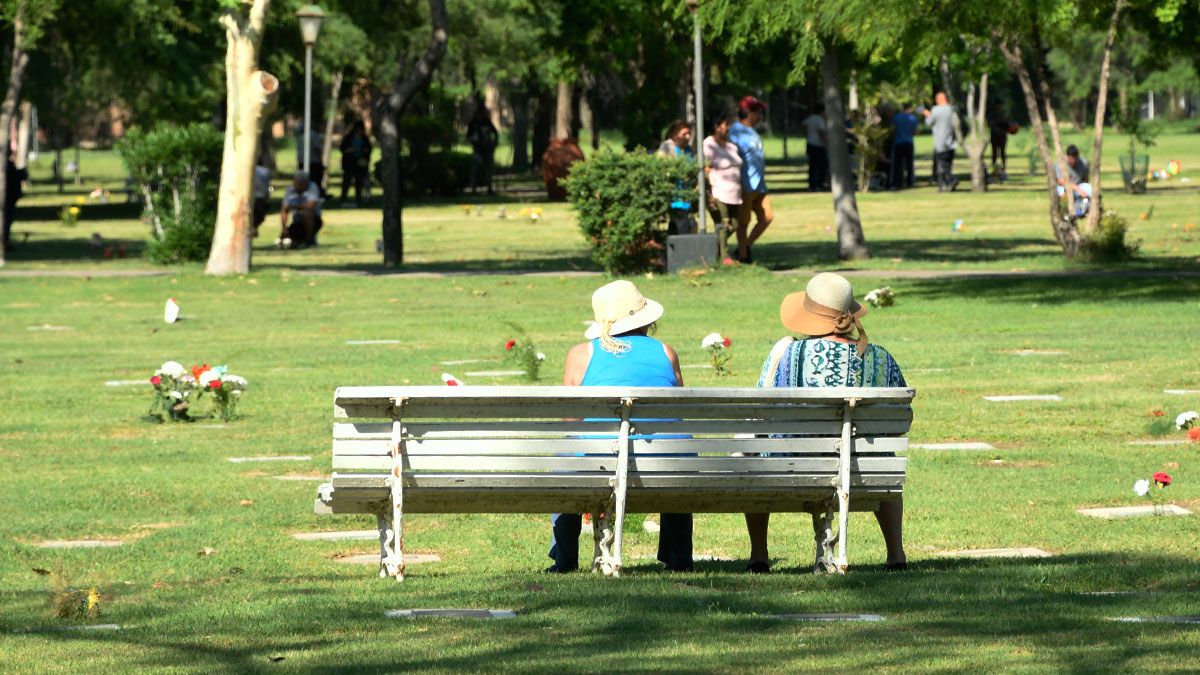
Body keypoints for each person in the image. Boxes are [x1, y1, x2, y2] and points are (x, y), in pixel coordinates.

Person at [744, 272, 908, 573]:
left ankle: (759, 554)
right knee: (885, 456)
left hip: (793, 467)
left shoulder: (787, 353)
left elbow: (760, 412)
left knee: (752, 451)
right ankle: (896, 553)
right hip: (861, 468)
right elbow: (898, 424)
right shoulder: (880, 358)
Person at [549, 280, 693, 573]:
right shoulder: (666, 352)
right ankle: (678, 557)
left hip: (599, 462)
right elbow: (678, 412)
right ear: (645, 320)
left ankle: (564, 559)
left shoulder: (580, 354)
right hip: (661, 463)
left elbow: (570, 421)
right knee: (677, 452)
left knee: (567, 460)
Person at [730, 96, 773, 263]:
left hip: (760, 185)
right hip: (746, 184)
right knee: (744, 222)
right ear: (748, 112)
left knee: (767, 217)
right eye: (758, 112)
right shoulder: (735, 132)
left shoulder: (752, 131)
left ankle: (744, 247)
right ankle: (743, 256)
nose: (760, 115)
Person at [702, 113, 743, 248]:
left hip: (734, 194)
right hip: (719, 192)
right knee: (723, 224)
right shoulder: (708, 144)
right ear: (716, 127)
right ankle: (724, 257)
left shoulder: (730, 145)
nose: (728, 127)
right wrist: (709, 192)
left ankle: (714, 248)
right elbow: (706, 168)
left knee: (735, 224)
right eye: (725, 124)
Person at [656, 119, 696, 235]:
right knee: (683, 226)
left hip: (688, 195)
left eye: (689, 134)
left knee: (677, 227)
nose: (687, 137)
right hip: (675, 196)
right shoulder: (667, 147)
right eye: (684, 134)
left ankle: (669, 252)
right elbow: (661, 168)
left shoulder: (689, 150)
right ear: (674, 134)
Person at [922, 92, 958, 191]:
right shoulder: (952, 109)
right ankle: (948, 184)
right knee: (948, 164)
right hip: (951, 142)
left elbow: (928, 123)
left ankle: (949, 181)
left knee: (941, 165)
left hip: (940, 142)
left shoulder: (936, 110)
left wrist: (927, 114)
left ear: (939, 99)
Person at [279, 170, 322, 248]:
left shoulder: (313, 187)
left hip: (315, 221)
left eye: (301, 183)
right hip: (297, 222)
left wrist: (293, 206)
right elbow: (284, 208)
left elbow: (311, 205)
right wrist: (284, 228)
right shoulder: (290, 190)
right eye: (297, 183)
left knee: (307, 212)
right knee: (291, 237)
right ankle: (293, 239)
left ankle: (310, 239)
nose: (299, 186)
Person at [466, 101, 499, 195]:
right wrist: (473, 141)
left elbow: (495, 132)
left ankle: (489, 188)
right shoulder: (473, 123)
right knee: (475, 170)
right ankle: (473, 188)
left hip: (487, 149)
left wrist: (495, 143)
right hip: (477, 149)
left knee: (488, 170)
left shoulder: (487, 122)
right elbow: (468, 135)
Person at [339, 120, 373, 207]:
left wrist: (365, 153)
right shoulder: (349, 137)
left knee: (359, 182)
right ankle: (343, 197)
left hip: (361, 163)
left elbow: (368, 149)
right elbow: (343, 149)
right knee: (347, 181)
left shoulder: (364, 138)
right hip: (349, 163)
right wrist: (351, 150)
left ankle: (359, 198)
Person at [1056, 145, 1092, 218]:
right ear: (1067, 156)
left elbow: (1085, 179)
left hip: (1079, 185)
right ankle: (1065, 213)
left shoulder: (1084, 163)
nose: (1073, 161)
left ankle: (1084, 210)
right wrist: (1076, 188)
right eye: (1071, 159)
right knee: (1060, 192)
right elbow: (1060, 181)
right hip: (1064, 186)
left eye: (1075, 159)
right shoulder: (1060, 163)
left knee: (1090, 189)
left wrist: (1082, 190)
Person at [890, 102, 918, 189]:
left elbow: (893, 130)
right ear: (909, 108)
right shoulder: (912, 118)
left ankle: (897, 182)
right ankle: (909, 181)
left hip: (898, 143)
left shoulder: (896, 117)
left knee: (897, 164)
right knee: (909, 163)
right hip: (909, 142)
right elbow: (916, 131)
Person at [3, 155, 28, 249]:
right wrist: (22, 172)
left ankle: (5, 241)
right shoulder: (6, 164)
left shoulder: (7, 163)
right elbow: (18, 176)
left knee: (7, 220)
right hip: (8, 198)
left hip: (10, 198)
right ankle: (4, 242)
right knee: (6, 220)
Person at [294, 121, 325, 195]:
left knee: (303, 180)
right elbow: (317, 148)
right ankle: (316, 194)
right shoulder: (313, 135)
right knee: (315, 180)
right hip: (313, 161)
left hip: (302, 161)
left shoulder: (300, 137)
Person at [802, 104, 828, 192]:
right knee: (821, 166)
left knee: (812, 166)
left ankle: (811, 185)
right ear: (821, 111)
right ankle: (819, 185)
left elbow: (803, 125)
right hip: (819, 145)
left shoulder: (810, 118)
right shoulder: (820, 120)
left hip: (810, 144)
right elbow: (821, 132)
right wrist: (826, 143)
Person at [987, 101, 1011, 181]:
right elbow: (989, 123)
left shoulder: (1004, 114)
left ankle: (1004, 170)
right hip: (994, 135)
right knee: (994, 153)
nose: (1000, 107)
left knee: (1003, 153)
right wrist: (998, 121)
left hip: (1002, 136)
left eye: (1001, 105)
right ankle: (994, 169)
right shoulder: (991, 114)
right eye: (999, 105)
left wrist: (1004, 121)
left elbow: (1009, 124)